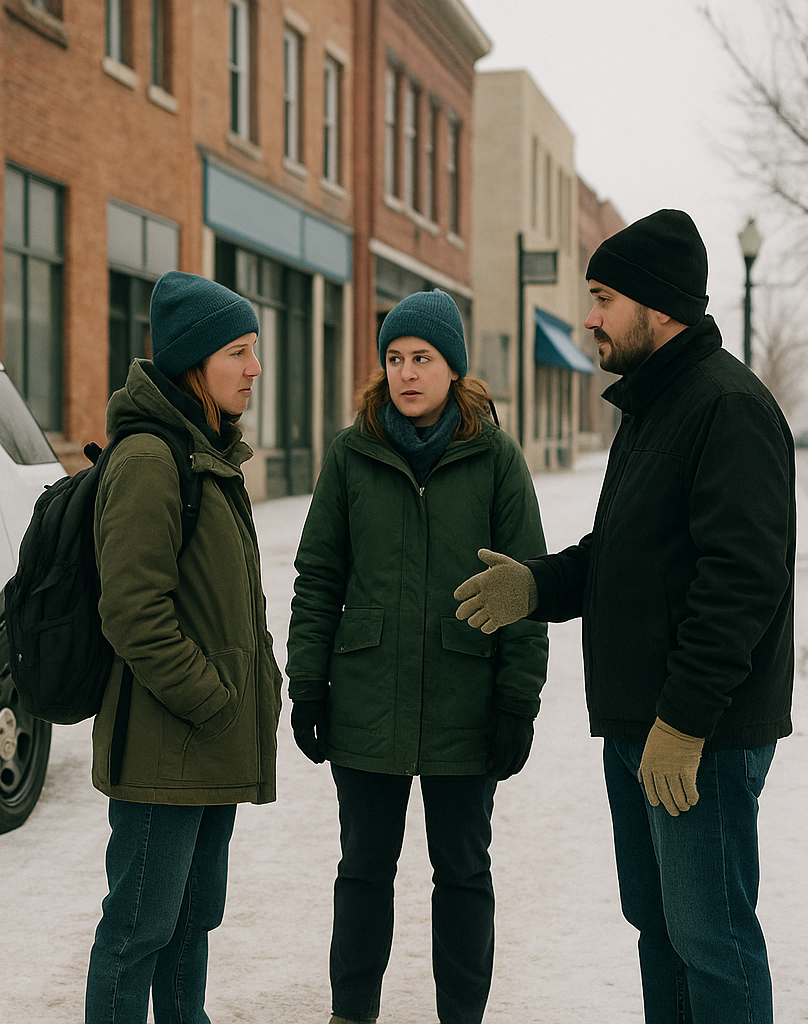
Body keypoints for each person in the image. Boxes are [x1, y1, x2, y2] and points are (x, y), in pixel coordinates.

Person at [453, 209, 794, 1024]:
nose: (590, 317)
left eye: (604, 296)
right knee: (661, 930)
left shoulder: (727, 408)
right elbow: (623, 554)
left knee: (713, 940)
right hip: (641, 725)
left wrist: (684, 721)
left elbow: (740, 582)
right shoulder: (652, 409)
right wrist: (538, 586)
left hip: (697, 734)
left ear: (659, 305)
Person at [286, 289, 549, 1024]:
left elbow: (527, 583)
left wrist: (517, 700)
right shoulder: (352, 452)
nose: (407, 373)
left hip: (467, 700)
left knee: (463, 872)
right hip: (366, 695)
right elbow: (319, 576)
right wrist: (307, 682)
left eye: (422, 358)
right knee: (363, 870)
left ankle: (461, 1015)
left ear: (453, 369)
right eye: (396, 358)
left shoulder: (495, 457)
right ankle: (352, 1013)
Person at [84, 270, 282, 1024]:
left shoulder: (208, 453)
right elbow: (133, 612)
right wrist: (212, 698)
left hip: (207, 742)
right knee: (138, 931)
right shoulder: (149, 460)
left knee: (190, 924)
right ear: (194, 363)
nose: (254, 369)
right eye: (238, 351)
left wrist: (258, 685)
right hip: (166, 747)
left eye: (254, 350)